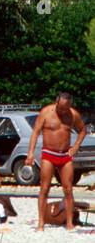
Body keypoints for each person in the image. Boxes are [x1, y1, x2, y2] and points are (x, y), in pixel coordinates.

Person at [24, 93, 87, 232]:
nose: (63, 111)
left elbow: (83, 130)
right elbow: (35, 132)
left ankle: (69, 223)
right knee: (44, 188)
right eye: (61, 108)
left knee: (68, 189)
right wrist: (30, 153)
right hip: (48, 154)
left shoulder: (73, 115)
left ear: (69, 106)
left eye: (66, 109)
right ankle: (41, 223)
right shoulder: (46, 112)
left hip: (65, 155)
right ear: (56, 102)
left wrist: (76, 147)